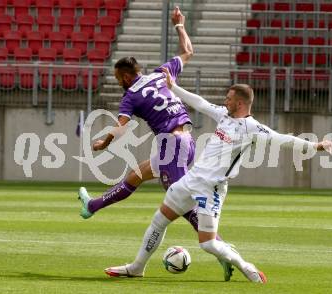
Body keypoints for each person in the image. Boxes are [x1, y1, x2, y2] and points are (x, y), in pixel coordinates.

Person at [104, 67, 332, 282]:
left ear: (239, 103)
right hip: (191, 180)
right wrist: (173, 87)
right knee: (159, 220)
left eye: (228, 98)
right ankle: (137, 267)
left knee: (208, 244)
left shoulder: (251, 128)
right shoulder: (224, 115)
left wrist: (316, 146)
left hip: (212, 188)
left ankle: (246, 266)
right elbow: (201, 103)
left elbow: (283, 140)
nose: (224, 101)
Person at [78, 6, 235, 280]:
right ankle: (93, 206)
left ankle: (220, 249)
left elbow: (122, 126)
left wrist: (103, 142)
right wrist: (179, 25)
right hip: (183, 142)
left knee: (180, 205)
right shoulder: (161, 73)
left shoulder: (130, 97)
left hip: (172, 147)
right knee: (136, 175)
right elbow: (188, 51)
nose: (118, 83)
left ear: (126, 76)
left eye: (118, 79)